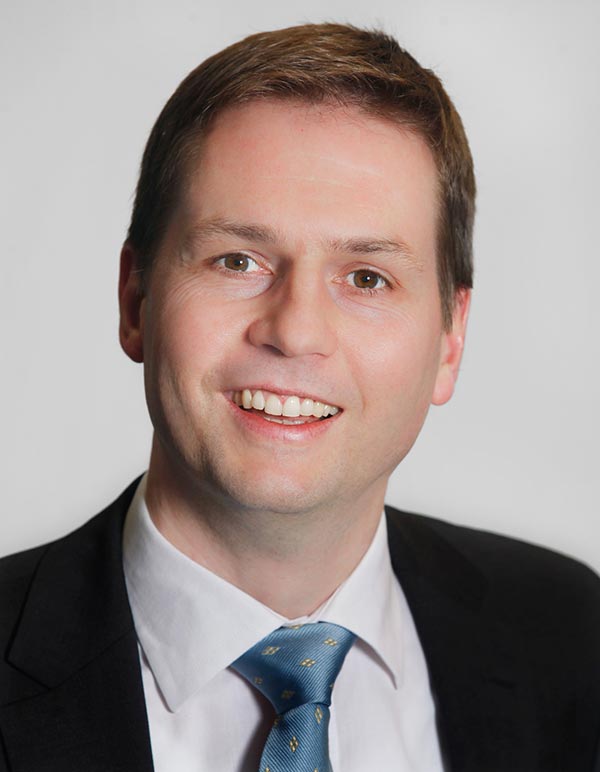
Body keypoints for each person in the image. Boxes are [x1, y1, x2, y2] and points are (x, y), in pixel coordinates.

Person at [0, 22, 599, 772]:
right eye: (237, 260)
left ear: (451, 339)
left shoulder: (571, 635)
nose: (295, 331)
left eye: (368, 277)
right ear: (134, 300)